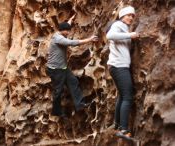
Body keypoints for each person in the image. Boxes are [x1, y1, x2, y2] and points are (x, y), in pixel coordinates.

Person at [46, 15, 98, 117]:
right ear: (63, 31)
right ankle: (56, 111)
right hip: (55, 70)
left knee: (73, 81)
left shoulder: (60, 33)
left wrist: (70, 20)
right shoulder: (58, 39)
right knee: (58, 91)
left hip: (63, 68)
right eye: (68, 31)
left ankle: (80, 104)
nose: (69, 33)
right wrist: (89, 39)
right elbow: (72, 43)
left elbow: (66, 27)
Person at [106, 6, 139, 139]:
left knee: (121, 95)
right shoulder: (118, 24)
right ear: (122, 16)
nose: (131, 17)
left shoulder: (123, 27)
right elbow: (109, 35)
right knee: (128, 96)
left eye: (133, 16)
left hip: (117, 65)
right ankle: (124, 131)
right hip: (119, 66)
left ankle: (118, 124)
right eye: (128, 15)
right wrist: (130, 35)